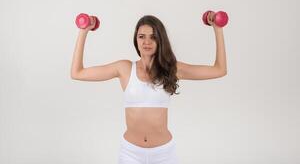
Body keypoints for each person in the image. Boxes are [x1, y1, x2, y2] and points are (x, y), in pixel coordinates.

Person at [70, 14, 227, 164]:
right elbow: (78, 73)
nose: (147, 42)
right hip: (130, 153)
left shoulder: (173, 69)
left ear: (161, 40)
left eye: (153, 37)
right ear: (136, 40)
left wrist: (217, 28)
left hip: (164, 154)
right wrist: (83, 30)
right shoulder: (124, 68)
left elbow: (219, 70)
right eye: (141, 36)